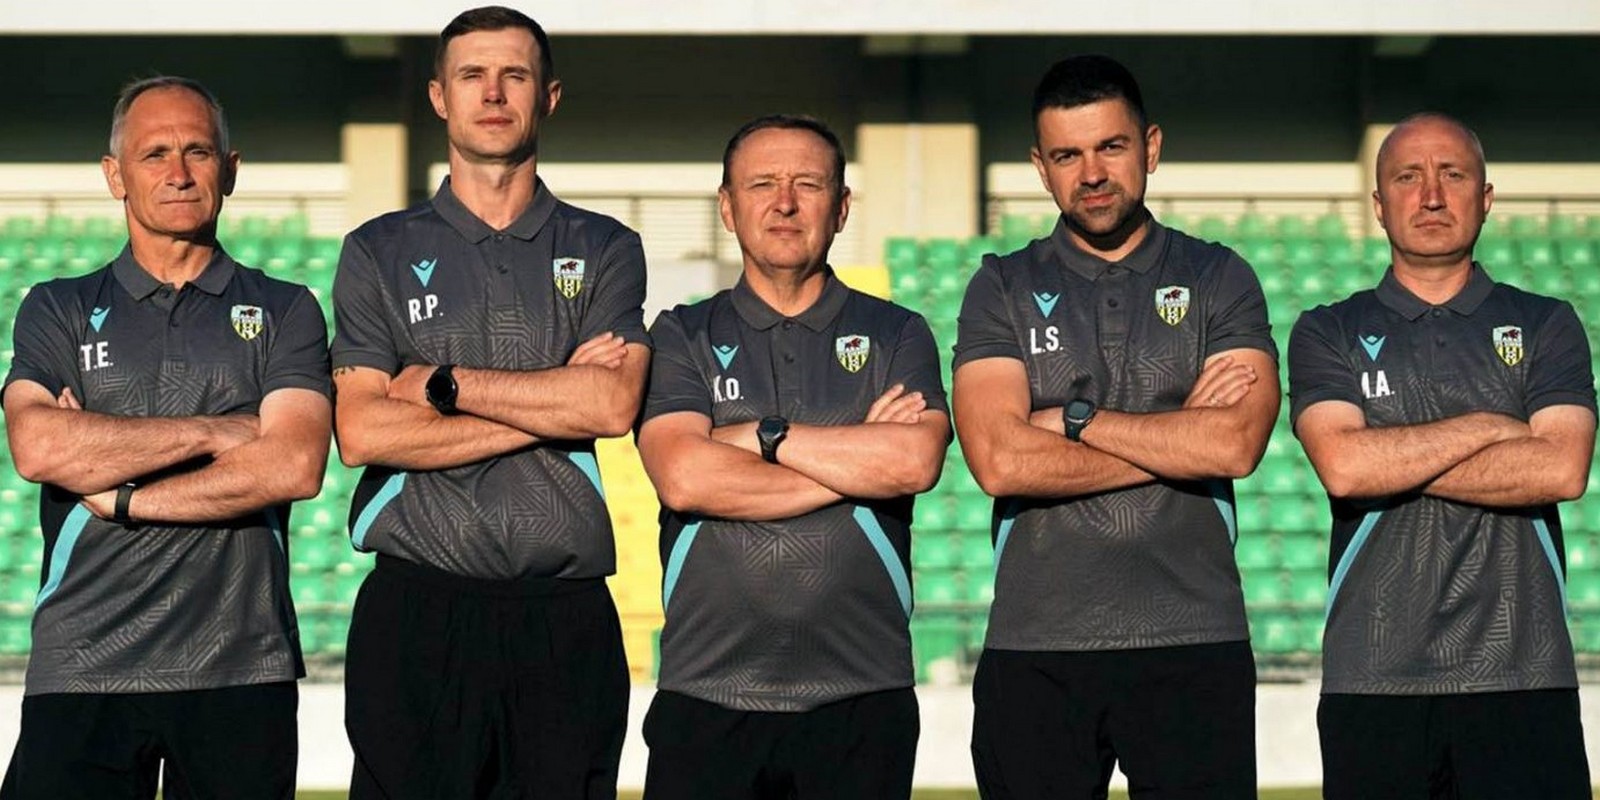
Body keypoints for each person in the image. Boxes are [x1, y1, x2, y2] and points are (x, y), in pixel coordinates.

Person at [329, 6, 649, 798]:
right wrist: (552, 398)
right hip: (417, 609)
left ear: (549, 97)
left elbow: (611, 406)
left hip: (564, 615)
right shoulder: (377, 249)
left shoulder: (606, 245)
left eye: (515, 75)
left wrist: (442, 386)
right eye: (472, 75)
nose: (494, 93)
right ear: (440, 97)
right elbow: (362, 430)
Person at [952, 54, 1278, 798]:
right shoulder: (1000, 284)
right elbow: (1000, 461)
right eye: (1067, 155)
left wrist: (1074, 422)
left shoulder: (1219, 276)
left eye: (1111, 146)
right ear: (1041, 168)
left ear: (1150, 148)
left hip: (1194, 641)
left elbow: (1235, 444)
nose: (1092, 173)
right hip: (1036, 647)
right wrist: (1179, 437)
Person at [0, 76, 331, 799]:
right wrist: (217, 429)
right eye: (154, 154)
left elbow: (294, 464)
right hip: (84, 663)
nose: (178, 173)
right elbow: (39, 448)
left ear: (230, 170)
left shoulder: (286, 309)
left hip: (240, 666)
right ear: (114, 175)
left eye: (197, 152)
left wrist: (123, 495)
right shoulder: (57, 308)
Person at [635, 114, 950, 800]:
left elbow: (913, 464)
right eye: (762, 185)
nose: (785, 203)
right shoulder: (680, 334)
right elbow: (684, 477)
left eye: (808, 184)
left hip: (862, 694)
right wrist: (853, 458)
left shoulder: (897, 333)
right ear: (727, 207)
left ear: (841, 208)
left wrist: (759, 437)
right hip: (707, 693)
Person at [1288, 112, 1594, 799]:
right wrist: (1493, 426)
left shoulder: (1547, 322)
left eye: (1452, 175)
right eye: (1408, 177)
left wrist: (1392, 454)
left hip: (1524, 674)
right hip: (1374, 678)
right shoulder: (1328, 329)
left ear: (1485, 198)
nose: (1431, 195)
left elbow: (1561, 468)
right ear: (1378, 205)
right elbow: (1346, 468)